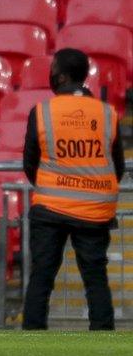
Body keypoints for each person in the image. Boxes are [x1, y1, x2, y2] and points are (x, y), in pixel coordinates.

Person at [22, 48, 124, 331]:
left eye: (53, 68)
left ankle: (30, 343)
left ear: (62, 75)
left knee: (42, 277)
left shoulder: (42, 112)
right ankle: (103, 342)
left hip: (50, 209)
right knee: (95, 279)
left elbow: (30, 163)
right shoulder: (107, 113)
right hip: (95, 210)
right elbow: (118, 166)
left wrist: (52, 184)